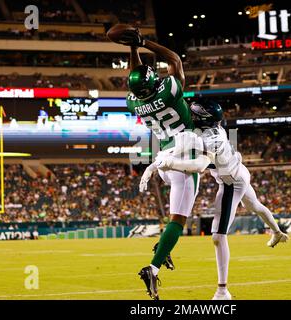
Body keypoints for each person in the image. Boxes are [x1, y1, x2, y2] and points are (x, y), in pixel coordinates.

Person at [140, 99, 288, 300]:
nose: (190, 117)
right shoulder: (205, 130)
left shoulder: (212, 137)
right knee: (255, 206)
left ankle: (222, 291)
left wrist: (172, 163)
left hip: (231, 182)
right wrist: (152, 167)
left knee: (218, 236)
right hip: (237, 172)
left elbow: (200, 165)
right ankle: (278, 232)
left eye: (194, 115)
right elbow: (177, 149)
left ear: (203, 119)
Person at [116, 27, 199, 300]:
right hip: (183, 157)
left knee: (176, 216)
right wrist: (144, 42)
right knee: (179, 219)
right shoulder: (169, 91)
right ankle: (153, 267)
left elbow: (135, 77)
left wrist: (132, 48)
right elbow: (175, 59)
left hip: (162, 159)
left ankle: (164, 249)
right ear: (153, 82)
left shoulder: (133, 101)